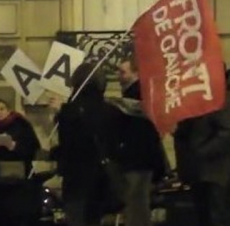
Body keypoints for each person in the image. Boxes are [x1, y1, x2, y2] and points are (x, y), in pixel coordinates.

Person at [54, 62, 123, 226]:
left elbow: (67, 146)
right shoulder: (112, 110)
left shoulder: (70, 111)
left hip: (76, 179)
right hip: (102, 178)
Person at [117, 59, 167, 226]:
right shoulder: (135, 93)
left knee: (137, 205)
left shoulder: (137, 94)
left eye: (123, 72)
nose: (119, 75)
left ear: (136, 73)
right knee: (137, 205)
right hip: (141, 159)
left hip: (138, 159)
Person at [0, 99, 41, 226]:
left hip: (19, 185)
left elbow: (33, 150)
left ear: (8, 110)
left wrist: (14, 146)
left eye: (1, 109)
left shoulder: (22, 127)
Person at [173, 83, 230, 226]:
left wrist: (201, 151)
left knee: (216, 216)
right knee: (202, 216)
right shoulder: (192, 100)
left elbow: (226, 133)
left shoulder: (219, 100)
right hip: (196, 171)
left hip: (215, 171)